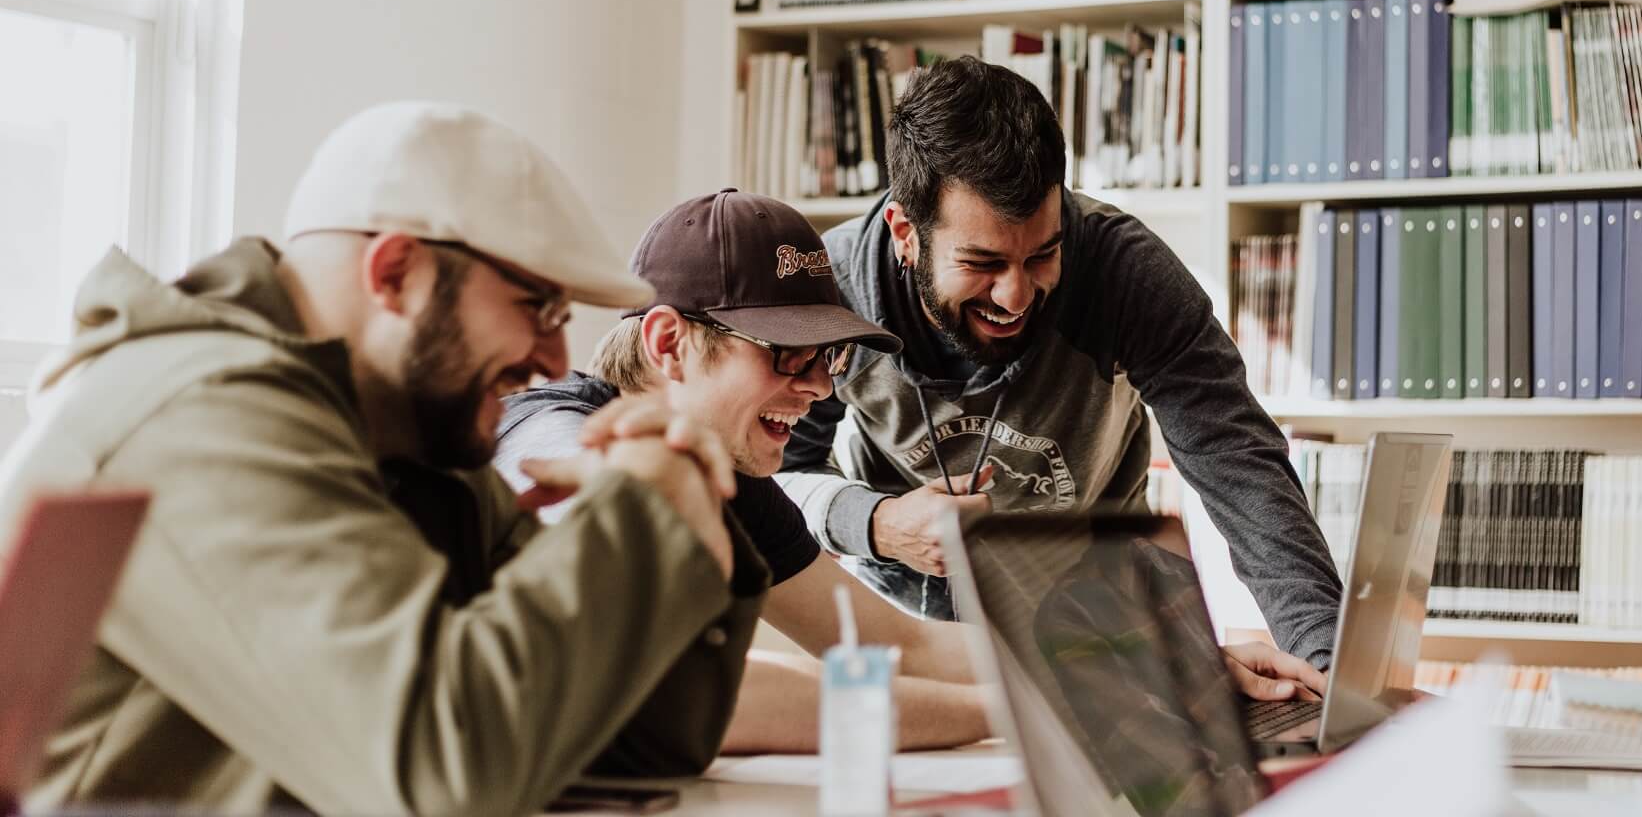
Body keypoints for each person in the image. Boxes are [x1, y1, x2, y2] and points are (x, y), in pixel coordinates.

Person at [0, 102, 768, 815]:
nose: (555, 356)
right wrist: (640, 515)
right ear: (395, 272)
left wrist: (687, 515)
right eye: (536, 306)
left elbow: (632, 744)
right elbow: (442, 773)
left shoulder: (408, 436)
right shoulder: (201, 417)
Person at [494, 188, 1321, 752]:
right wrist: (1064, 706)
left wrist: (1154, 665)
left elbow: (892, 643)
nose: (819, 388)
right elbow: (692, 689)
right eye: (788, 355)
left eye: (828, 359)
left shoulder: (731, 476)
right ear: (670, 343)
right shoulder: (553, 438)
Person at [776, 55, 1345, 675]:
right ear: (905, 232)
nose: (1015, 295)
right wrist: (876, 522)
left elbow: (1239, 464)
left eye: (1042, 254)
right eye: (982, 264)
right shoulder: (834, 295)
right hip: (907, 635)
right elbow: (775, 476)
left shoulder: (1126, 273)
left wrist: (1325, 663)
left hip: (1098, 623)